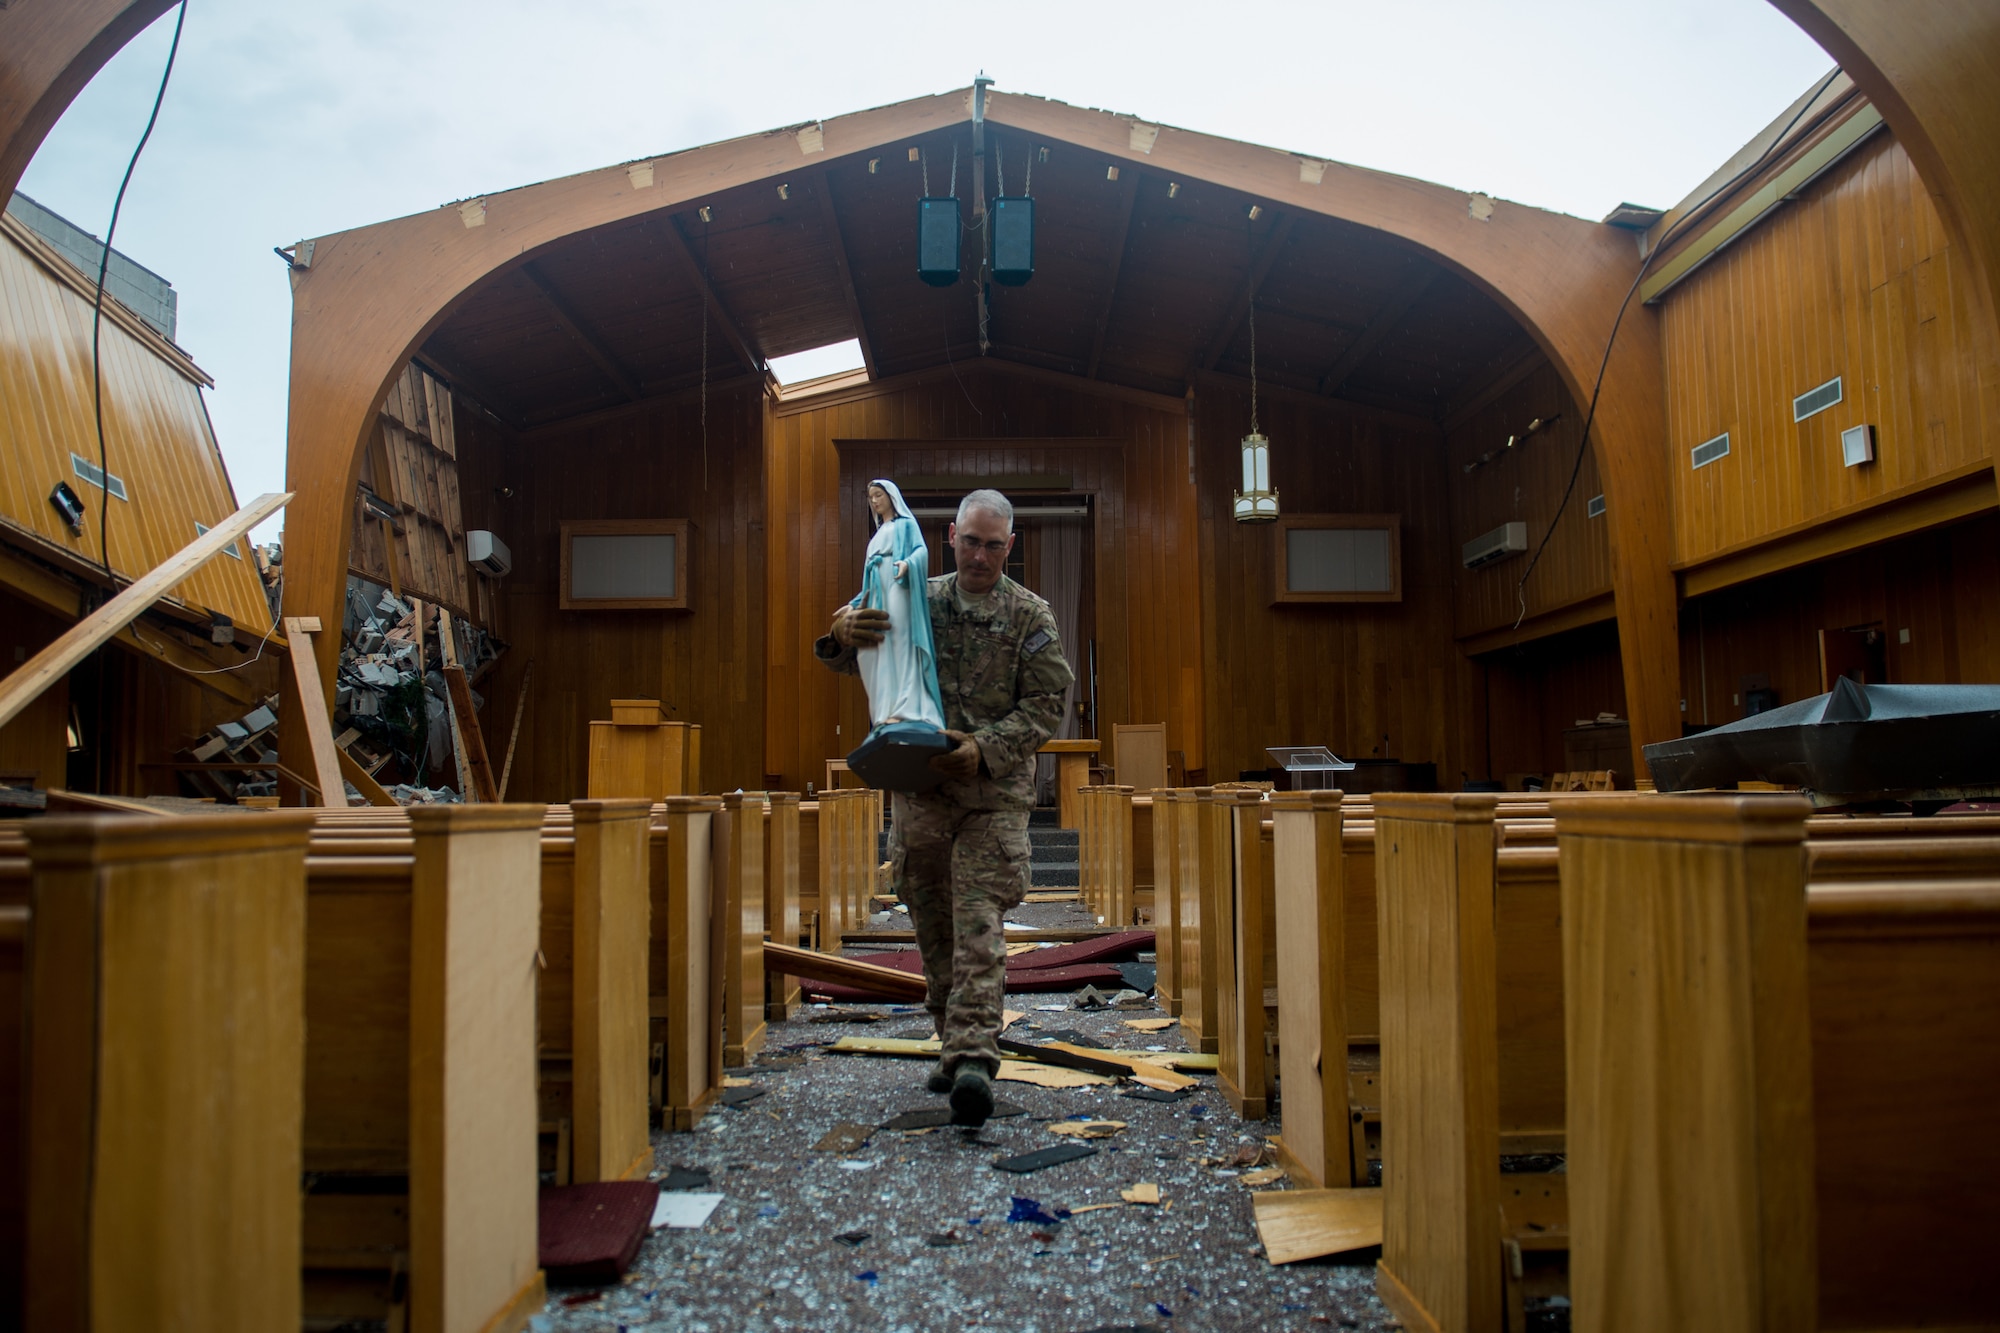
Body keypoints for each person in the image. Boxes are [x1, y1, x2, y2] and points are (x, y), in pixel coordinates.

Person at [816, 488, 1073, 1126]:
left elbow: (1045, 708)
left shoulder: (1029, 617)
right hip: (920, 793)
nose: (980, 555)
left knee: (979, 925)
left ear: (1010, 546)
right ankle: (951, 1042)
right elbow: (862, 647)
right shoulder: (917, 595)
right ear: (950, 535)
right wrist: (841, 630)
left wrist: (983, 748)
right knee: (933, 927)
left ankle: (975, 1058)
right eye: (969, 541)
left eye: (993, 545)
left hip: (992, 797)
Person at [853, 480, 944, 732]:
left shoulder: (906, 524)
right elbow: (868, 577)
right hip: (878, 590)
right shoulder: (879, 533)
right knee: (878, 648)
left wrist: (907, 564)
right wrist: (855, 604)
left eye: (878, 495)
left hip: (897, 585)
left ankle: (907, 707)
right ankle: (887, 709)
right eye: (871, 497)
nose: (874, 501)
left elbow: (920, 552)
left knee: (900, 641)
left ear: (891, 496)